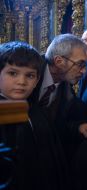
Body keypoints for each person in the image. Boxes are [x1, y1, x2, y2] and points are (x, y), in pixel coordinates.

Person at [0, 41, 68, 189]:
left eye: (30, 76)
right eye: (13, 73)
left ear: (37, 81)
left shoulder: (39, 113)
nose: (21, 81)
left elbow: (55, 163)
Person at [28, 34, 87, 164]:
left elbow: (58, 125)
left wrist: (77, 128)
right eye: (80, 64)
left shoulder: (68, 92)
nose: (84, 71)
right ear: (59, 62)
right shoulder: (28, 74)